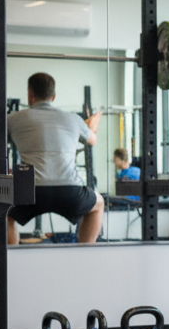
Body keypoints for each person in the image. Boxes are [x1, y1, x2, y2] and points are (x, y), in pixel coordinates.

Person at [6, 72, 104, 244]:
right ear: (54, 96)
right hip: (69, 191)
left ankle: (11, 256)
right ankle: (85, 253)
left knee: (3, 211)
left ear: (29, 94)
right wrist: (88, 126)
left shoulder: (12, 119)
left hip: (31, 191)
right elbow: (92, 140)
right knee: (98, 204)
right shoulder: (74, 119)